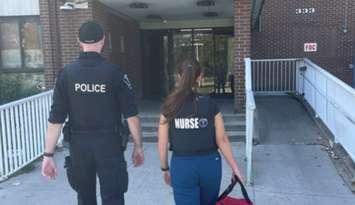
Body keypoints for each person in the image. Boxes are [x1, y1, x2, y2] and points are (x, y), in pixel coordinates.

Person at [41, 21, 144, 205]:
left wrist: (48, 155)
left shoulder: (66, 74)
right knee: (113, 198)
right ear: (103, 40)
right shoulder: (115, 73)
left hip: (79, 146)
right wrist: (138, 146)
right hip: (110, 145)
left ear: (78, 40)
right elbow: (131, 115)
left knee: (85, 198)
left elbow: (56, 118)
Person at [158, 59, 243, 205]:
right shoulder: (210, 104)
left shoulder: (169, 106)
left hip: (182, 166)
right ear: (200, 77)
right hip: (210, 165)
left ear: (179, 76)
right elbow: (222, 140)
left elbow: (162, 142)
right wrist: (235, 168)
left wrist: (165, 168)